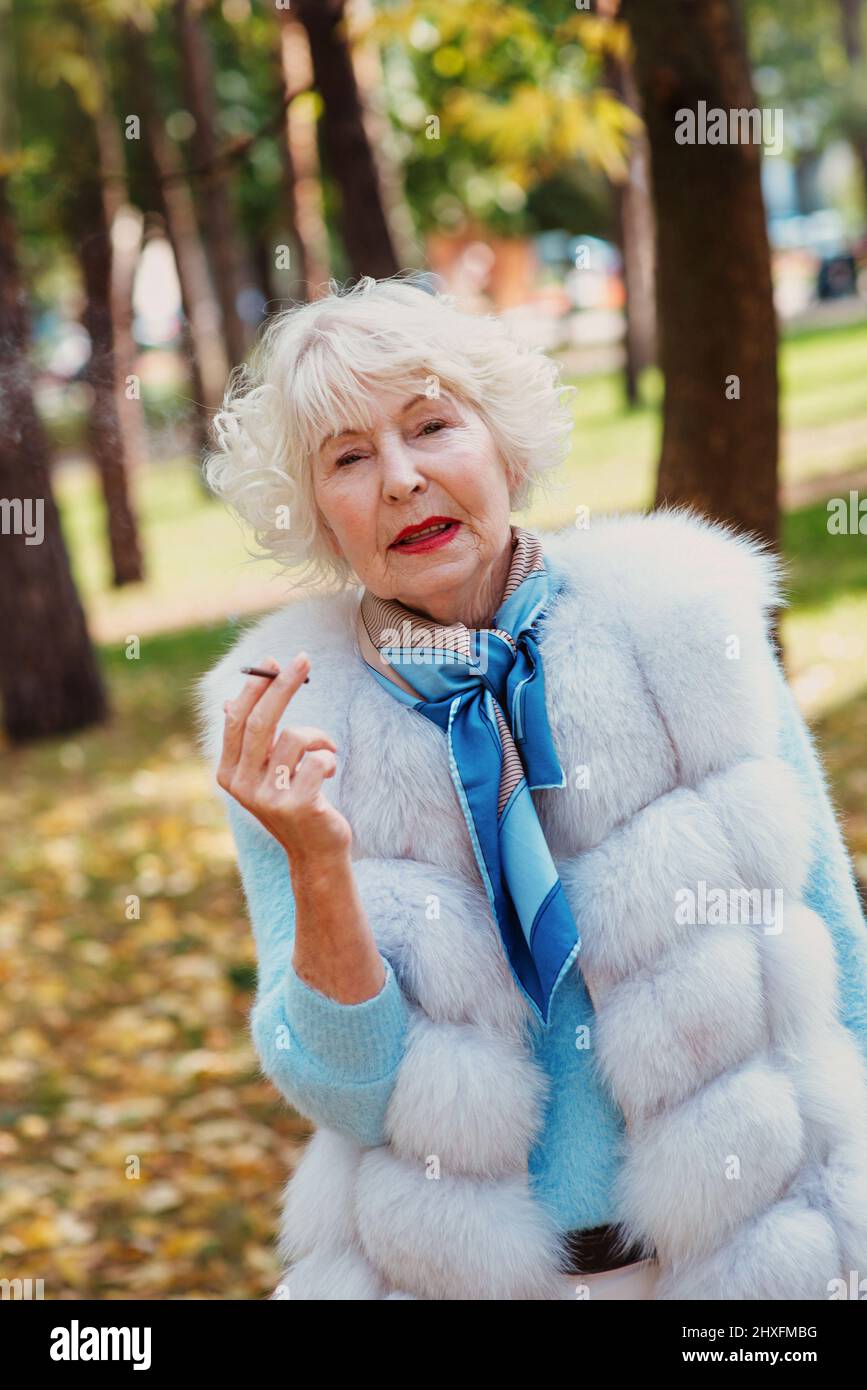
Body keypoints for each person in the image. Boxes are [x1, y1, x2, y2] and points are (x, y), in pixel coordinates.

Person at [196, 275, 867, 1301]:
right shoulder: (291, 716)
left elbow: (832, 938)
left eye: (431, 425)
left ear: (503, 442)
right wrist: (317, 862)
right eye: (349, 457)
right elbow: (343, 1088)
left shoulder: (681, 621)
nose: (403, 480)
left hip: (753, 1266)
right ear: (318, 514)